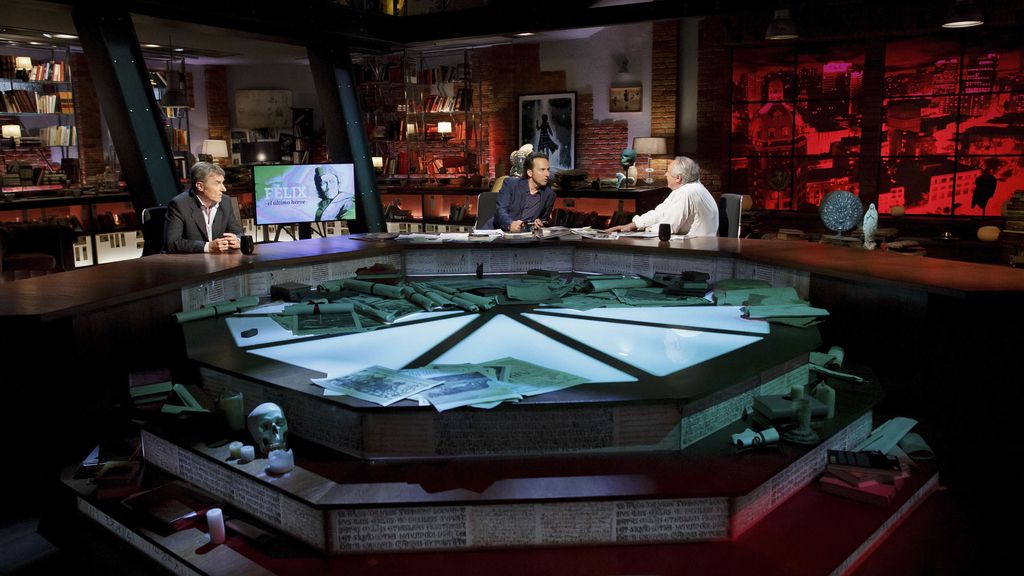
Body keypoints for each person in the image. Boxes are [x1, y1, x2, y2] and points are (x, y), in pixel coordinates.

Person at [604, 156, 719, 237]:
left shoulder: (687, 192)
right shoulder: (687, 189)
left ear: (678, 178)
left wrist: (643, 230)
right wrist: (633, 225)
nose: (665, 174)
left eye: (668, 171)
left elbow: (668, 227)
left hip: (695, 249)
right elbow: (660, 213)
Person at [165, 161, 243, 254]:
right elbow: (173, 243)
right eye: (217, 183)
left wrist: (237, 240)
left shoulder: (225, 202)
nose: (224, 189)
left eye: (222, 183)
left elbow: (238, 233)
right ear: (200, 186)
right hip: (189, 261)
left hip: (218, 259)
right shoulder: (179, 204)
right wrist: (207, 247)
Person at [483, 152, 556, 232]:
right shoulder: (511, 184)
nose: (547, 174)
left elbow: (544, 220)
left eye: (548, 169)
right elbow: (500, 211)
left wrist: (539, 223)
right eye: (542, 170)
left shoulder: (549, 195)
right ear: (530, 173)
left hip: (524, 235)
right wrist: (509, 225)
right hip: (496, 232)